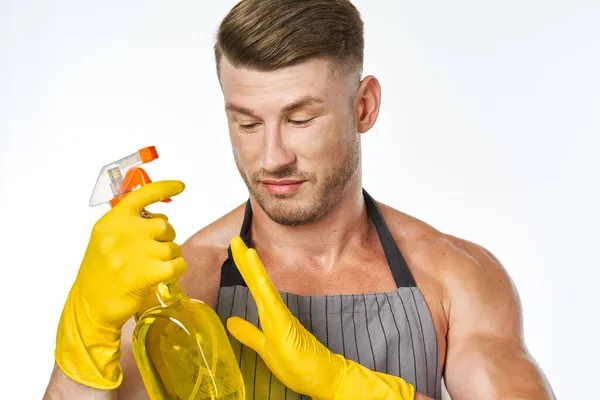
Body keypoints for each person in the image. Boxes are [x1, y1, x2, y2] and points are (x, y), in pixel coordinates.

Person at [43, 0, 556, 399]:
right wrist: (83, 340)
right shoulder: (177, 285)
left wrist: (349, 387)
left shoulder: (453, 278)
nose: (271, 157)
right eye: (246, 122)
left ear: (364, 106)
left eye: (300, 119)